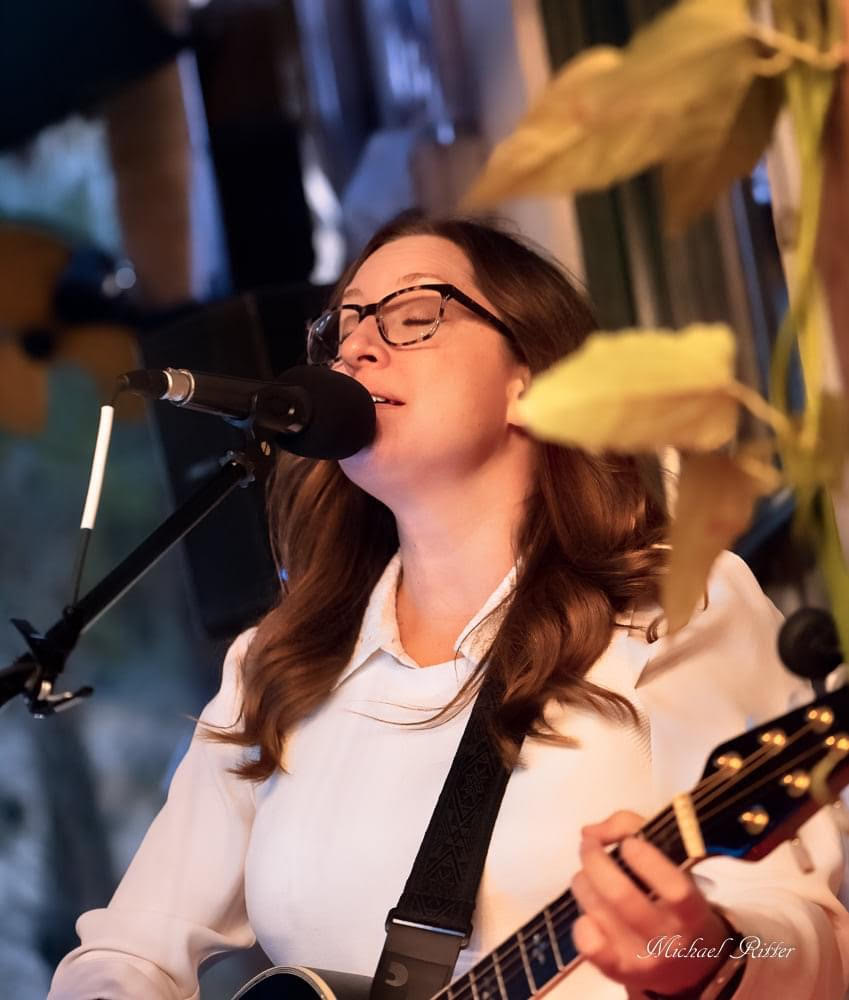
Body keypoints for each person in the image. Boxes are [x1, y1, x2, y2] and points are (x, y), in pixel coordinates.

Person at [50, 213, 849, 1000]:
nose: (356, 347)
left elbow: (801, 933)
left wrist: (704, 957)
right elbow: (130, 953)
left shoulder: (674, 604)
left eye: (413, 317)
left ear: (530, 380)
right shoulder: (277, 663)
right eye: (341, 328)